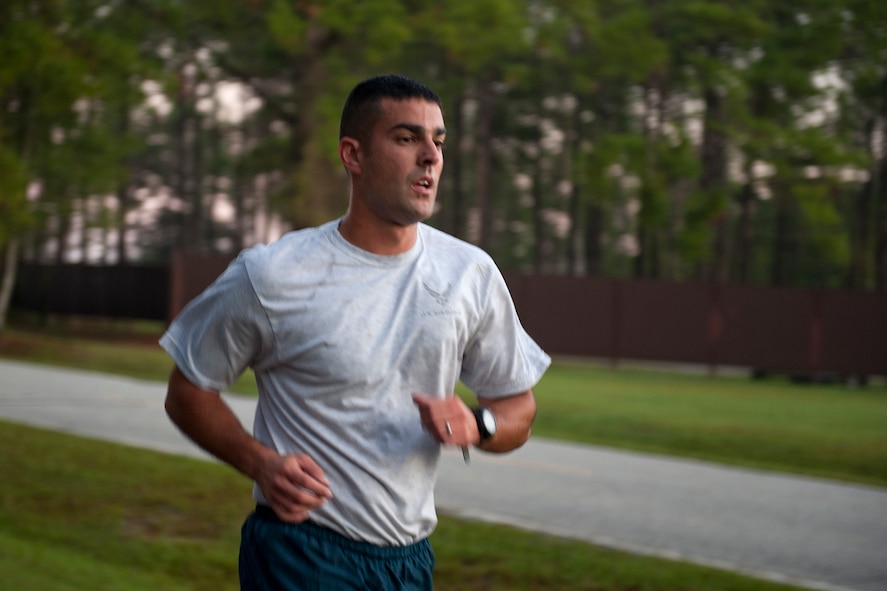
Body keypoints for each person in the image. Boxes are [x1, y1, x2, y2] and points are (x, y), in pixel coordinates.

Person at [160, 73, 550, 591]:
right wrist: (261, 464)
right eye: (407, 138)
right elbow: (188, 391)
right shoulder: (273, 274)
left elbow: (518, 410)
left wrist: (479, 425)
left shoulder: (469, 274)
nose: (430, 157)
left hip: (409, 562)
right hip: (303, 551)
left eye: (439, 141)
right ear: (354, 155)